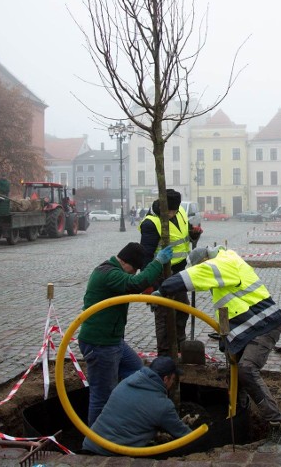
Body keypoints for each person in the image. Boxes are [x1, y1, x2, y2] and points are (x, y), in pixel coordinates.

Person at [155, 246, 281, 444]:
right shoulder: (223, 272)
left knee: (246, 370)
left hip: (263, 325)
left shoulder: (222, 264)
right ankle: (239, 410)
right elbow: (226, 309)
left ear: (206, 260)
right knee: (234, 371)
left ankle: (278, 425)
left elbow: (196, 275)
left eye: (202, 265)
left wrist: (164, 288)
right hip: (249, 327)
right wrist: (227, 342)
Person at [78, 242, 174, 426]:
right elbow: (134, 285)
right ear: (124, 262)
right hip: (100, 343)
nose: (134, 273)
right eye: (134, 268)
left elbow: (128, 291)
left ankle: (127, 412)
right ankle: (96, 440)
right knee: (101, 396)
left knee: (137, 371)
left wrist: (151, 296)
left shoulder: (114, 273)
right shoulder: (109, 273)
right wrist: (158, 263)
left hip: (114, 342)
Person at [82, 356, 192, 455]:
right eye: (172, 379)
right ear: (166, 379)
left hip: (91, 443)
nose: (172, 383)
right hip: (110, 454)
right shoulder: (163, 406)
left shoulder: (127, 381)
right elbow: (185, 435)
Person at [139, 189, 201, 356]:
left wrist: (193, 234)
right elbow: (145, 254)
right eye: (169, 211)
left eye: (175, 210)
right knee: (164, 314)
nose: (172, 214)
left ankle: (179, 346)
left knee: (182, 309)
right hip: (160, 274)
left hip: (179, 272)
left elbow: (186, 232)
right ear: (161, 205)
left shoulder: (180, 213)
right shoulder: (151, 223)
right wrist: (148, 283)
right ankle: (165, 353)